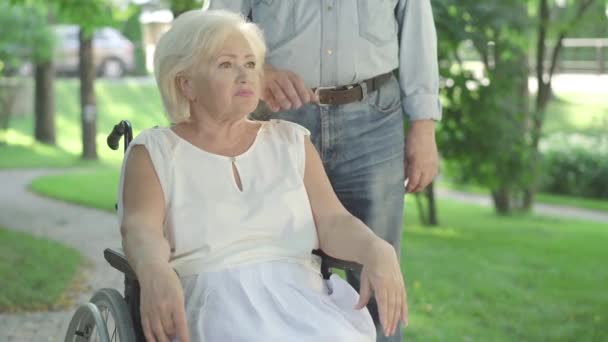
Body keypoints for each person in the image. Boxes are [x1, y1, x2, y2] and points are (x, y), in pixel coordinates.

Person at [118, 10, 408, 342]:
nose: (245, 76)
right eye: (226, 65)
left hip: (300, 297)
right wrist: (154, 270)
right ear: (186, 84)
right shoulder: (155, 150)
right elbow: (140, 228)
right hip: (212, 302)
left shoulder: (290, 140)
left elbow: (333, 221)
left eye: (251, 64)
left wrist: (376, 248)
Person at [206, 1, 442, 340]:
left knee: (378, 271)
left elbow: (418, 32)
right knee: (273, 269)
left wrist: (424, 125)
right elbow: (215, 26)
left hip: (374, 119)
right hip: (277, 117)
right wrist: (260, 72)